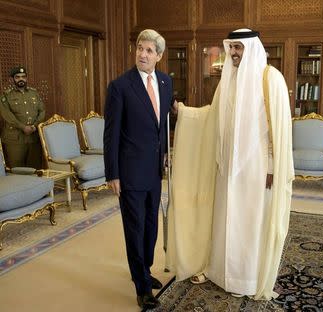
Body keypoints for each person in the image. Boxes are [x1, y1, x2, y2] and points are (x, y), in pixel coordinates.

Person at [166, 29, 294, 300]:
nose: (234, 53)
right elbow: (213, 118)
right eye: (231, 47)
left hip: (257, 168)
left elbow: (278, 130)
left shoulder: (270, 79)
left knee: (249, 221)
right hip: (227, 167)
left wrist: (272, 166)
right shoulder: (228, 80)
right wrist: (185, 113)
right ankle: (221, 272)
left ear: (251, 48)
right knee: (225, 219)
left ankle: (246, 278)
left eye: (239, 47)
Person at [103, 29, 176, 310]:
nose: (143, 54)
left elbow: (163, 126)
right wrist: (113, 173)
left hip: (155, 171)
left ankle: (144, 270)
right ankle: (142, 286)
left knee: (151, 227)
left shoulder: (165, 82)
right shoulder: (120, 86)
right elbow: (111, 134)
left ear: (159, 56)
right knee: (134, 228)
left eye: (149, 50)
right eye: (139, 48)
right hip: (130, 172)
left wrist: (166, 152)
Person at [0, 66, 45, 168]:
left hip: (34, 137)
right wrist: (23, 127)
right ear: (12, 79)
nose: (21, 79)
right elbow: (7, 115)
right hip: (15, 139)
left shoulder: (34, 93)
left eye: (23, 76)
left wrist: (35, 125)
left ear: (26, 78)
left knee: (35, 167)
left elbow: (42, 111)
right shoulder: (6, 95)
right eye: (17, 77)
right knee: (17, 169)